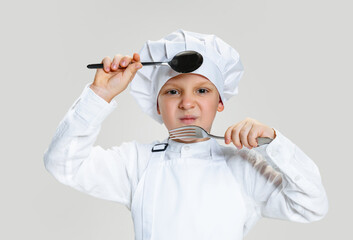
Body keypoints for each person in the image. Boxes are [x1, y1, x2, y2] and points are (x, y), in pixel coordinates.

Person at [43, 29, 328, 240]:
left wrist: (273, 144)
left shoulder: (243, 166)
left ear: (220, 102)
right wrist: (99, 96)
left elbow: (311, 206)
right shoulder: (136, 163)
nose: (187, 103)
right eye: (172, 91)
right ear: (157, 103)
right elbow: (63, 165)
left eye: (202, 90)